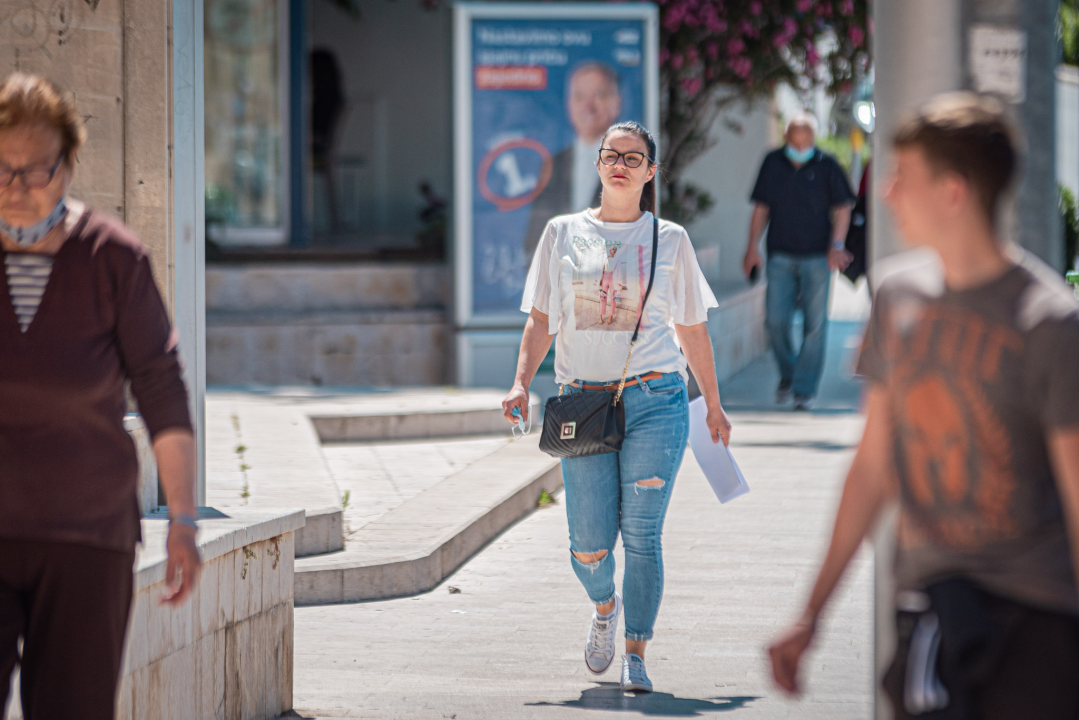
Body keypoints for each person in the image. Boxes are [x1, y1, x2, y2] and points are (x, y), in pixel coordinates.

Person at [768, 93, 1079, 718]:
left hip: (1036, 627)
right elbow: (873, 467)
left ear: (953, 192)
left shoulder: (1052, 324)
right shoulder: (896, 295)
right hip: (930, 615)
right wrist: (810, 615)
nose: (886, 194)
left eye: (903, 177)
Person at [502, 121, 733, 694]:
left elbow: (691, 327)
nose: (621, 165)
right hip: (582, 402)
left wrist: (713, 404)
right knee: (589, 545)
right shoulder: (561, 232)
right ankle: (605, 606)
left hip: (656, 399)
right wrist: (520, 382)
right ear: (598, 163)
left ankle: (636, 651)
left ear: (651, 171)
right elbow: (541, 319)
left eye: (634, 158)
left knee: (643, 534)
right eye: (612, 155)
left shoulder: (670, 239)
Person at [0, 72, 201, 719]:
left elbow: (162, 391)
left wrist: (183, 519)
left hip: (87, 538)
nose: (18, 188)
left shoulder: (113, 258)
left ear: (68, 165)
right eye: (2, 170)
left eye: (36, 171)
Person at [743, 112, 855, 410]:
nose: (801, 149)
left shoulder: (827, 165)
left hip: (818, 258)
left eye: (806, 144)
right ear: (786, 138)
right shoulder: (772, 162)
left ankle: (803, 389)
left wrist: (837, 245)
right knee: (775, 321)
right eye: (796, 143)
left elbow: (843, 208)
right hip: (780, 255)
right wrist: (752, 247)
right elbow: (761, 208)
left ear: (814, 140)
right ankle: (789, 374)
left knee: (815, 325)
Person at [524, 61, 622, 257]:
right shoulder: (553, 164)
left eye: (599, 95)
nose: (588, 106)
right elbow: (535, 238)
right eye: (579, 97)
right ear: (568, 104)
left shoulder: (630, 163)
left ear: (616, 102)